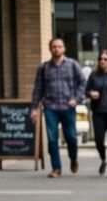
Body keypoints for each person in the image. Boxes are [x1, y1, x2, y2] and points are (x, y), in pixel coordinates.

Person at [29, 37, 87, 178]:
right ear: (50, 49)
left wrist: (77, 99)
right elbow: (38, 89)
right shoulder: (43, 68)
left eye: (59, 46)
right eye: (54, 46)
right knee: (52, 138)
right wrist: (34, 108)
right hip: (50, 107)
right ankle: (56, 168)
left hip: (68, 107)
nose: (57, 49)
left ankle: (73, 158)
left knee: (71, 137)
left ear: (64, 48)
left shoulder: (73, 65)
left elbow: (82, 83)